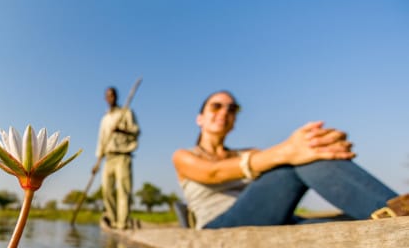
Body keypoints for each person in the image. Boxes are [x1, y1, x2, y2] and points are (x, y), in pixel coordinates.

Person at [172, 90, 407, 229]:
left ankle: (391, 215)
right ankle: (395, 215)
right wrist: (292, 150)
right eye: (216, 106)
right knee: (298, 156)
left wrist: (326, 144)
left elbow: (277, 174)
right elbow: (214, 173)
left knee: (348, 221)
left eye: (232, 109)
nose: (224, 112)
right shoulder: (184, 156)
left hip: (267, 219)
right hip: (219, 228)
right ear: (200, 118)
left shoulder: (248, 152)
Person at [95, 86, 140, 230]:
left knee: (123, 190)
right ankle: (113, 220)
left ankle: (123, 223)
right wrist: (97, 162)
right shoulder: (105, 119)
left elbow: (136, 131)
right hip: (108, 158)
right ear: (105, 98)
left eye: (112, 95)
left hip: (123, 156)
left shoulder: (126, 112)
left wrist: (120, 129)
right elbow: (101, 141)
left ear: (116, 97)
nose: (110, 98)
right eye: (108, 96)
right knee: (107, 190)